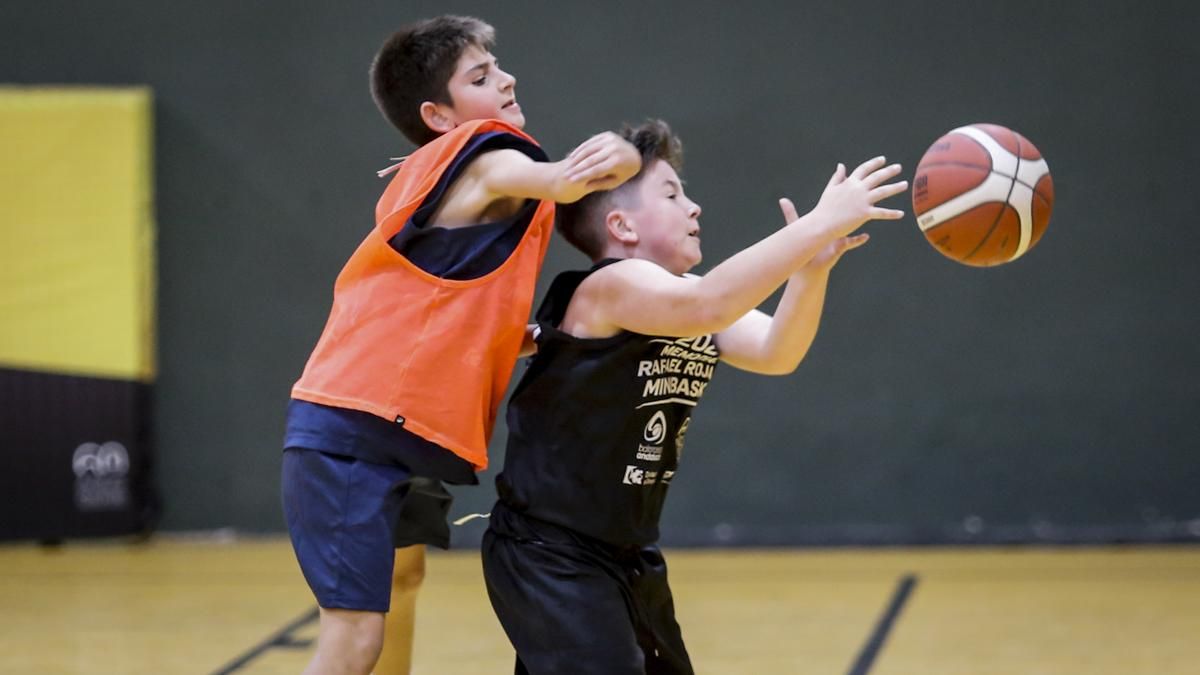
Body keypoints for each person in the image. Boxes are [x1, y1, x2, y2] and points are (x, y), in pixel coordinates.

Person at [280, 15, 642, 675]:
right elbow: (569, 182)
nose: (504, 80)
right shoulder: (487, 151)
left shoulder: (439, 169)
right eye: (480, 77)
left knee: (401, 582)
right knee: (353, 638)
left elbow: (444, 297)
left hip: (402, 431)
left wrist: (509, 336)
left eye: (497, 67)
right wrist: (627, 156)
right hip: (356, 430)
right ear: (439, 114)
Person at [480, 120, 907, 674]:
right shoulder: (610, 287)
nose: (694, 206)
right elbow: (710, 305)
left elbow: (777, 351)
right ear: (621, 225)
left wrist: (810, 273)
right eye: (672, 194)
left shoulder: (685, 301)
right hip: (550, 552)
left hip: (625, 554)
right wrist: (821, 220)